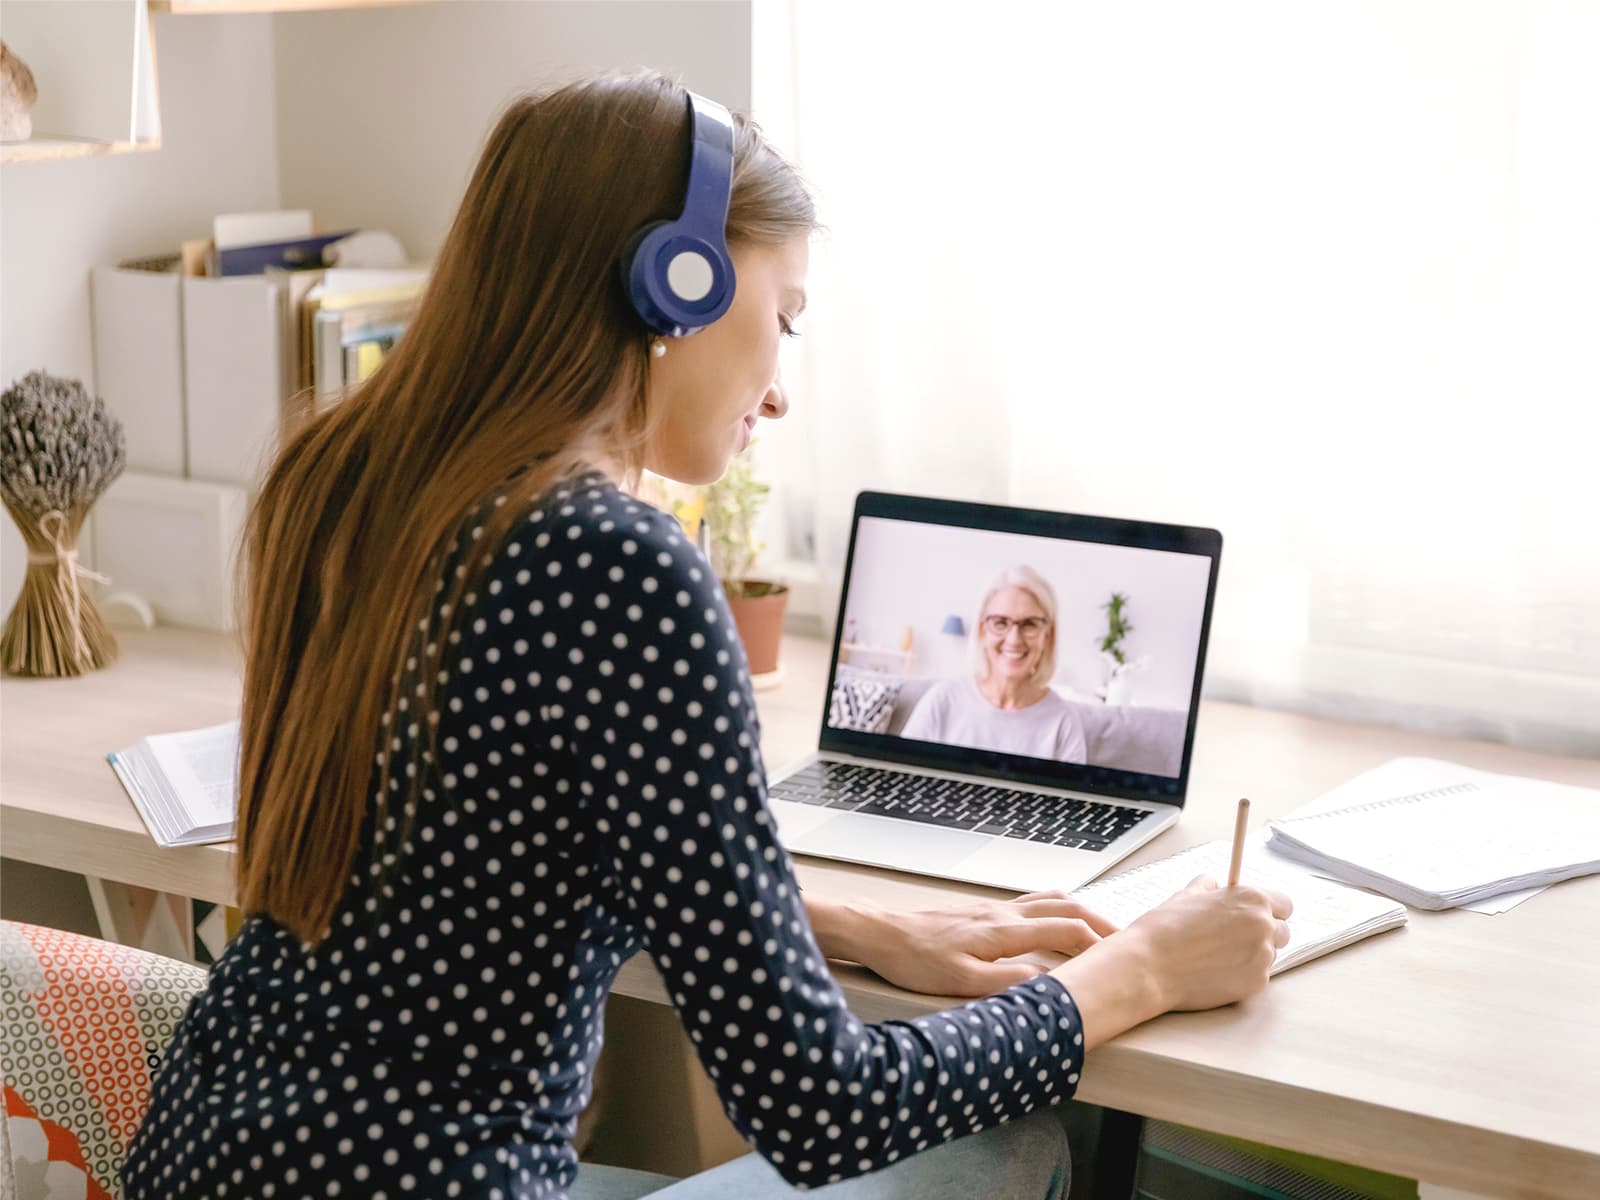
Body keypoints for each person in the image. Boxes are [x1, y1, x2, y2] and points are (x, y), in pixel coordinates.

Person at [124, 73, 1291, 1200]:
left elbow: (491, 855)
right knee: (1011, 1154)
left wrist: (847, 924)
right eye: (782, 317)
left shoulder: (342, 481)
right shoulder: (618, 564)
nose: (778, 393)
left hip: (204, 1158)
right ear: (671, 281)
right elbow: (821, 1108)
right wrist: (1135, 970)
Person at [901, 566, 1088, 763]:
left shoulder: (1064, 722)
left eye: (1030, 624)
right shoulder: (942, 699)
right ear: (983, 631)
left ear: (1047, 636)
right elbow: (903, 778)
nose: (1014, 639)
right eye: (1000, 622)